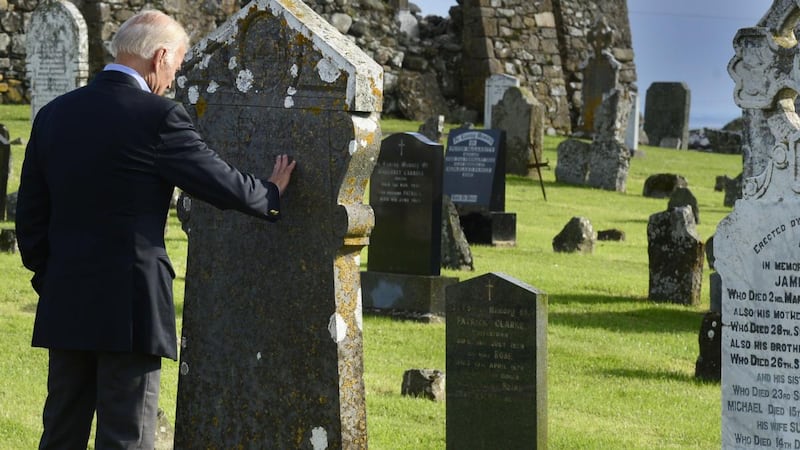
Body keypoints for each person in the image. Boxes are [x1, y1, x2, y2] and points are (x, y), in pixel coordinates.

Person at [15, 9, 296, 449]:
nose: (173, 80)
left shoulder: (54, 115)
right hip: (132, 304)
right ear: (159, 57)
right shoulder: (157, 117)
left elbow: (30, 219)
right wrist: (269, 194)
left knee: (61, 434)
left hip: (65, 300)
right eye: (177, 67)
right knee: (127, 435)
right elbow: (216, 180)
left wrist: (51, 280)